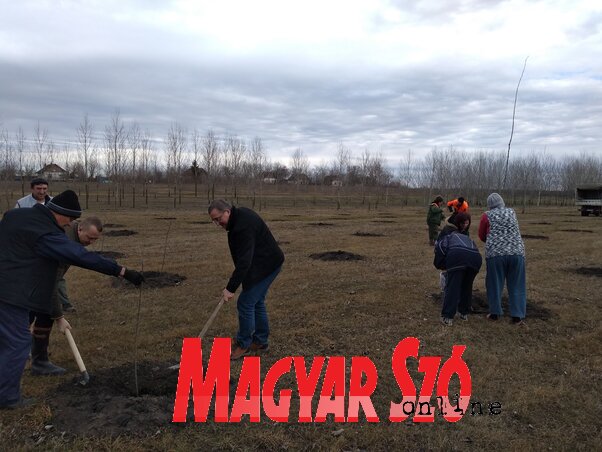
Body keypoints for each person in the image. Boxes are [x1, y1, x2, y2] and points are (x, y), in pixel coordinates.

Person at [0, 190, 144, 409]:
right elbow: (81, 256)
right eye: (69, 219)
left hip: (12, 287)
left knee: (6, 341)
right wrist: (121, 271)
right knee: (18, 343)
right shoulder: (47, 234)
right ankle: (8, 398)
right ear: (60, 213)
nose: (69, 225)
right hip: (9, 293)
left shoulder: (15, 215)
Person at [208, 199, 284, 360]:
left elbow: (244, 262)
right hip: (260, 262)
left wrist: (230, 288)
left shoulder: (242, 227)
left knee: (246, 302)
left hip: (268, 264)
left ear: (227, 211)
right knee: (256, 302)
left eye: (218, 218)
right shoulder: (238, 218)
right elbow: (245, 259)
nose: (217, 223)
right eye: (213, 220)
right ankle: (261, 341)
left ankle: (244, 344)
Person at [28, 216, 103, 376]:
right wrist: (59, 316)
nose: (91, 242)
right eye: (89, 238)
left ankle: (40, 362)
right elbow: (52, 283)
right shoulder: (64, 243)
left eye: (95, 239)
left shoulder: (73, 236)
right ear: (80, 229)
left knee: (44, 314)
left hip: (37, 279)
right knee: (20, 322)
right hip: (25, 280)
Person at [478, 193, 526, 325]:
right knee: (517, 284)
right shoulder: (512, 212)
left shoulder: (486, 216)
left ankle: (494, 313)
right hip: (516, 252)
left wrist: (492, 240)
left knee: (494, 284)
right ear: (502, 202)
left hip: (495, 255)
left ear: (489, 205)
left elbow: (481, 235)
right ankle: (517, 316)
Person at [434, 213, 482, 326]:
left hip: (458, 257)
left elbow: (440, 248)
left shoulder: (448, 236)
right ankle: (463, 313)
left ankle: (447, 317)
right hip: (475, 259)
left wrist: (440, 264)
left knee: (453, 286)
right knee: (467, 286)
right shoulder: (466, 237)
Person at [435, 212, 472, 301]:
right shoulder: (448, 231)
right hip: (448, 257)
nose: (465, 225)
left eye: (467, 223)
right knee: (448, 276)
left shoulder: (464, 231)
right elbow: (440, 246)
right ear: (458, 223)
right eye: (463, 223)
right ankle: (447, 294)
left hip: (460, 258)